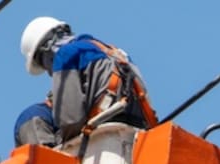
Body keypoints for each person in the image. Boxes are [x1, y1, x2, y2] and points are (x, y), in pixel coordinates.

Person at [17, 16, 157, 145]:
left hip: (105, 136)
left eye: (43, 64)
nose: (48, 72)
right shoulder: (115, 53)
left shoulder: (66, 55)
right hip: (141, 133)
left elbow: (70, 121)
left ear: (47, 50)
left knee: (29, 116)